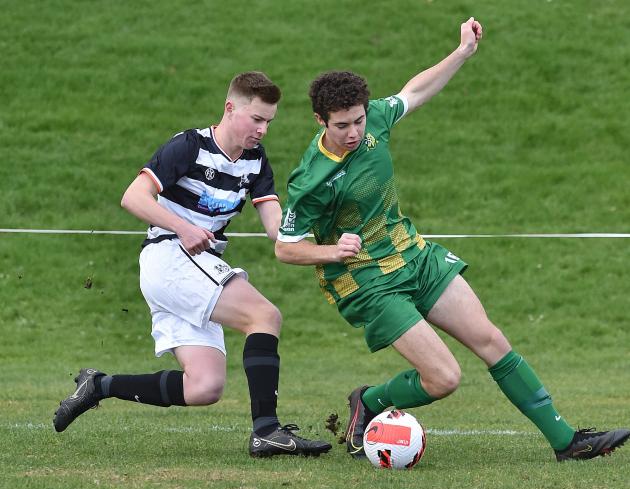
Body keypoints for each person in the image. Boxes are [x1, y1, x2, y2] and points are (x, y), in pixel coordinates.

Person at [274, 19, 629, 462]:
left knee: (492, 341)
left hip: (412, 255)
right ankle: (369, 402)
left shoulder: (375, 121)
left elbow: (415, 90)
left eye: (359, 121)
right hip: (366, 281)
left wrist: (461, 53)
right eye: (342, 125)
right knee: (444, 378)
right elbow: (285, 247)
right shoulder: (312, 179)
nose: (354, 133)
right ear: (320, 120)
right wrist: (331, 250)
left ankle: (568, 443)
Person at [53, 71, 331, 458]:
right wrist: (183, 227)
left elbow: (276, 229)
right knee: (264, 316)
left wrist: (326, 238)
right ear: (230, 108)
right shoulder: (190, 146)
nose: (263, 129)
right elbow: (133, 197)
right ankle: (267, 431)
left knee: (204, 387)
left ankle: (99, 385)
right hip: (170, 256)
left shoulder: (255, 161)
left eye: (269, 121)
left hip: (193, 265)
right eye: (256, 119)